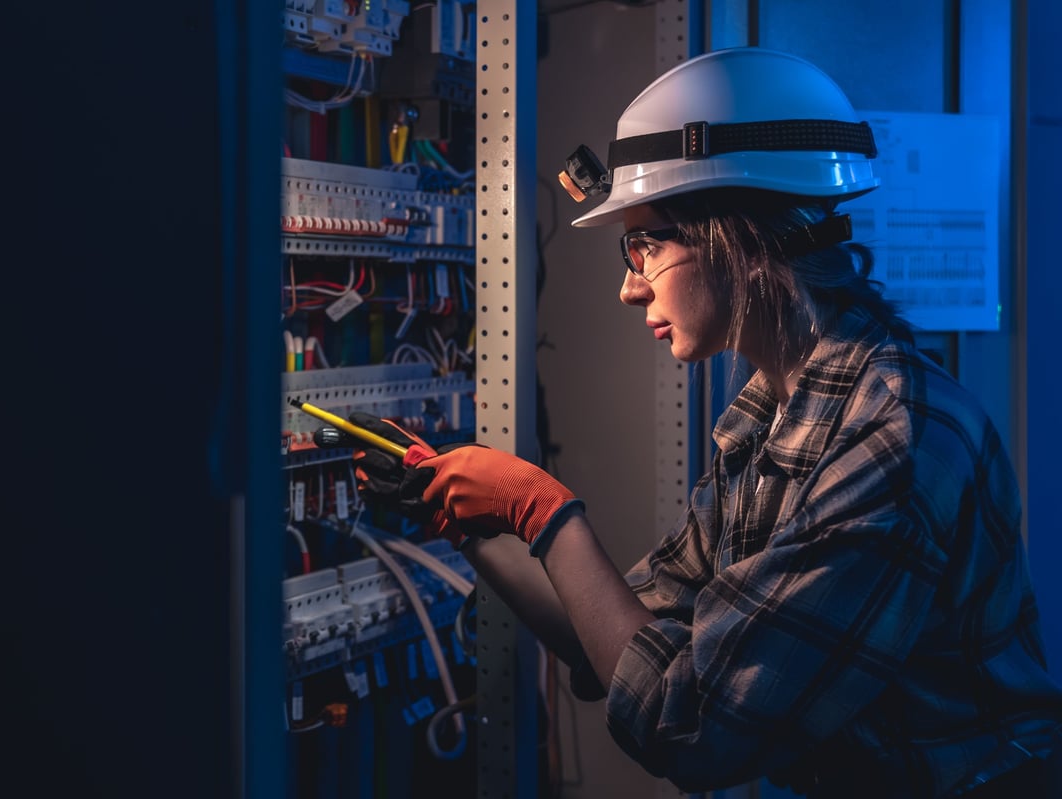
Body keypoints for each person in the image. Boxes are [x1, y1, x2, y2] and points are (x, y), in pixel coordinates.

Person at [348, 47, 1062, 797]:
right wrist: (469, 521)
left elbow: (690, 725)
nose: (630, 287)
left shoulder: (892, 443)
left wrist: (545, 509)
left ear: (736, 235)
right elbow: (619, 646)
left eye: (645, 245)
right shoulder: (769, 415)